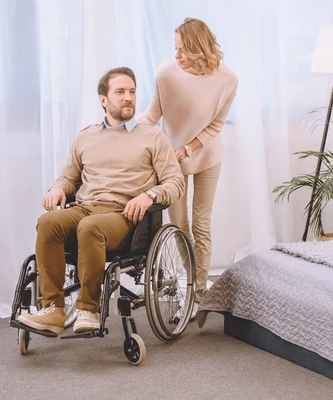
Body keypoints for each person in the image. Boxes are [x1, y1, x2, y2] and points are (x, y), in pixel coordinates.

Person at [18, 67, 185, 335]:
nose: (128, 97)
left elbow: (175, 183)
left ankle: (88, 309)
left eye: (132, 91)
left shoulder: (153, 137)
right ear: (103, 99)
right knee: (48, 222)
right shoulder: (86, 136)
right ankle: (53, 310)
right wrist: (57, 189)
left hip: (125, 217)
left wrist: (149, 195)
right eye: (120, 92)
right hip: (85, 208)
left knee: (90, 227)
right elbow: (68, 177)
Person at [136, 18, 238, 318]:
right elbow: (152, 115)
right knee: (179, 226)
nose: (177, 56)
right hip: (171, 161)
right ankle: (190, 279)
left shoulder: (227, 79)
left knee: (201, 224)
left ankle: (197, 294)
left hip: (206, 155)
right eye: (175, 48)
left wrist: (188, 147)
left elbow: (216, 125)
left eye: (184, 49)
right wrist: (119, 129)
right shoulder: (166, 73)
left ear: (200, 48)